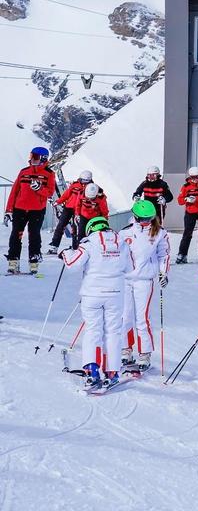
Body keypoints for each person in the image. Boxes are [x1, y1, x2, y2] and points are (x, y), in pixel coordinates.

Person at [63, 215, 135, 390]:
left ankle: (92, 371)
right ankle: (112, 372)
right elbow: (130, 268)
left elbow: (72, 264)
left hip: (92, 294)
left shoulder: (88, 243)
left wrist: (64, 253)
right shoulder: (122, 243)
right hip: (115, 294)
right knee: (113, 332)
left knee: (93, 331)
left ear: (91, 229)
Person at [120, 200, 170, 372]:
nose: (145, 222)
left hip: (144, 280)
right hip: (125, 280)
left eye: (149, 219)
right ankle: (125, 350)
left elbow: (164, 255)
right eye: (142, 219)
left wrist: (163, 272)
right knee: (124, 317)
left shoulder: (159, 233)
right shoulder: (124, 232)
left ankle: (145, 353)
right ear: (135, 216)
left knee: (141, 319)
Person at [6, 146, 56, 274]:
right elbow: (14, 191)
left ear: (43, 159)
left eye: (35, 157)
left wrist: (39, 188)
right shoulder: (24, 171)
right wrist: (9, 210)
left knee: (34, 235)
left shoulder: (49, 174)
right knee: (16, 235)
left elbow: (50, 193)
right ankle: (13, 261)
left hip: (37, 210)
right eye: (31, 156)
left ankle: (33, 262)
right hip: (19, 208)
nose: (32, 159)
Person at [48, 170, 91, 254]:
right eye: (82, 180)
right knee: (61, 226)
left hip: (80, 210)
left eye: (86, 181)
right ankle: (54, 246)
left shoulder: (91, 188)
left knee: (76, 228)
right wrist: (58, 201)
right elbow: (66, 195)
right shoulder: (75, 185)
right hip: (69, 208)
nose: (84, 182)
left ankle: (76, 247)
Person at [71, 182, 110, 251]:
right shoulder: (81, 192)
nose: (89, 200)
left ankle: (96, 249)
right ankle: (80, 250)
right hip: (83, 216)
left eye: (91, 198)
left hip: (95, 218)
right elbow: (78, 205)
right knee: (81, 234)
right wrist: (77, 214)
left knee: (95, 234)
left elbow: (104, 210)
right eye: (87, 198)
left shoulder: (101, 198)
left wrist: (104, 220)